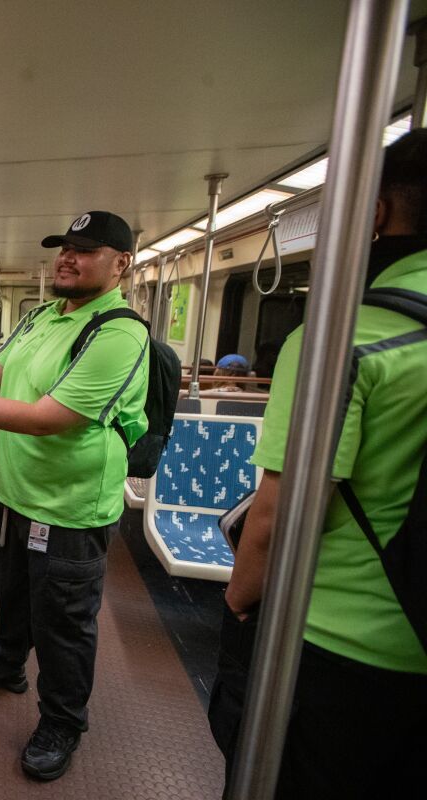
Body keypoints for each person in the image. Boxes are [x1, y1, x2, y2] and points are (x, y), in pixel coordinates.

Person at [216, 130, 427, 797]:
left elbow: (282, 514)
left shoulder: (345, 337)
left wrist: (239, 603)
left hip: (341, 640)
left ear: (375, 214)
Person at [0, 210, 148, 782]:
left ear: (121, 264)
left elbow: (48, 419)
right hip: (16, 494)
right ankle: (6, 658)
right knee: (11, 590)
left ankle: (62, 721)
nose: (68, 257)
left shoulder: (118, 333)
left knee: (63, 621)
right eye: (65, 247)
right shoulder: (41, 315)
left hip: (70, 508)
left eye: (85, 250)